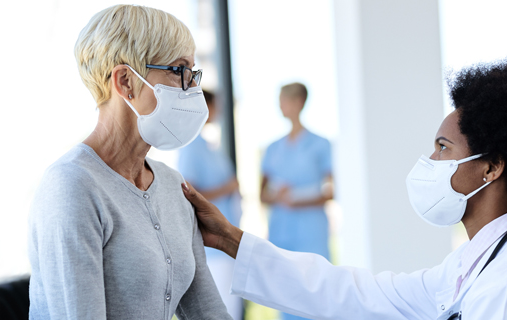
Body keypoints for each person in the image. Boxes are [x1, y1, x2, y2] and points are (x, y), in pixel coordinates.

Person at [182, 58, 507, 319]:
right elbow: (363, 295)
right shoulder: (476, 263)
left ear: (491, 168)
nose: (429, 161)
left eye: (442, 148)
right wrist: (233, 240)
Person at [27, 5, 231, 320]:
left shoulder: (172, 185)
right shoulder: (72, 186)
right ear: (125, 82)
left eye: (193, 73)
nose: (192, 90)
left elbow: (209, 312)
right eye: (179, 71)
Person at [259, 82, 334, 320]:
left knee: (317, 294)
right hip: (282, 233)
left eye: (285, 100)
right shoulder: (272, 148)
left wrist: (298, 199)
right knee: (287, 296)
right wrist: (278, 196)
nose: (281, 106)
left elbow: (330, 190)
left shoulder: (321, 145)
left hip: (311, 233)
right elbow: (262, 194)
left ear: (299, 102)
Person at [178, 90, 244, 320]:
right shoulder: (191, 147)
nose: (219, 111)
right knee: (222, 310)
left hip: (227, 243)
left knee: (232, 309)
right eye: (215, 106)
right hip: (213, 249)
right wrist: (227, 188)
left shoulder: (209, 147)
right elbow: (190, 192)